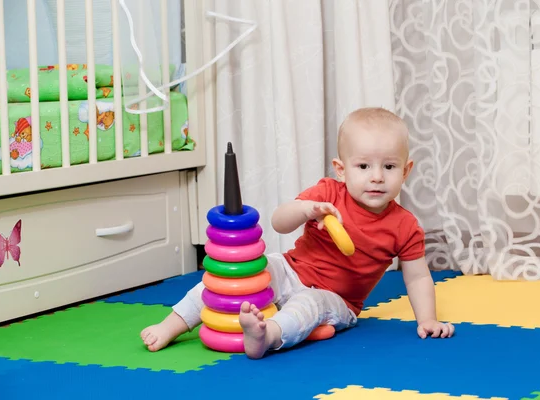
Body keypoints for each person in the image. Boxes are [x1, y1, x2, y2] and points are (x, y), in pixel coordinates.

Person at [141, 107, 455, 359]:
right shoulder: (327, 193)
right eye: (363, 167)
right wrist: (307, 210)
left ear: (406, 170)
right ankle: (173, 323)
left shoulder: (405, 225)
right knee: (239, 278)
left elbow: (416, 277)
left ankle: (267, 335)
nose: (376, 177)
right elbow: (279, 222)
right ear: (341, 169)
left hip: (339, 299)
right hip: (293, 268)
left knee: (309, 306)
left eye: (389, 167)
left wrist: (427, 319)